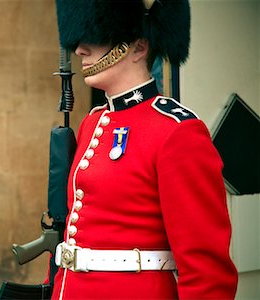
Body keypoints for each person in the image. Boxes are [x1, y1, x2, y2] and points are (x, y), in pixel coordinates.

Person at [50, 0, 238, 299]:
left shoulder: (177, 131)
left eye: (96, 37)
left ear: (138, 47)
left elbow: (206, 271)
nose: (80, 50)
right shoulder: (93, 122)